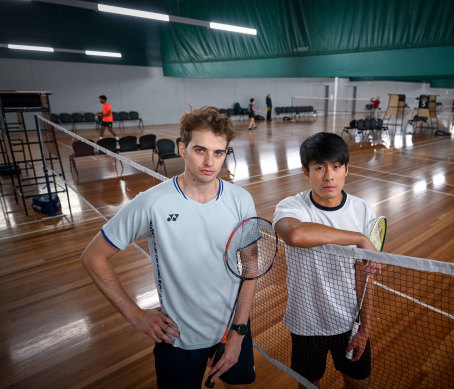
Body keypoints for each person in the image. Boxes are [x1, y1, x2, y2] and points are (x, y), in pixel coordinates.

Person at [81, 106, 258, 388]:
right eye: (200, 150)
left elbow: (250, 264)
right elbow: (93, 257)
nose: (210, 161)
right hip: (177, 339)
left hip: (232, 330)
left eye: (218, 152)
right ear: (182, 149)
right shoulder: (152, 203)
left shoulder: (241, 200)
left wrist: (239, 331)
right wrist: (136, 315)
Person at [273, 132, 381, 388]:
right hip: (306, 325)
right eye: (319, 167)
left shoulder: (363, 210)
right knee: (309, 385)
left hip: (349, 323)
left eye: (336, 167)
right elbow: (296, 234)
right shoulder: (291, 207)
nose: (329, 176)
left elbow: (363, 276)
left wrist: (365, 328)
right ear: (305, 171)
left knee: (359, 385)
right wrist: (358, 238)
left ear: (346, 170)